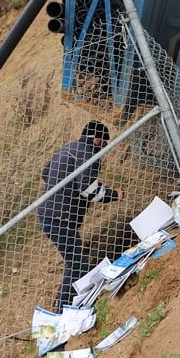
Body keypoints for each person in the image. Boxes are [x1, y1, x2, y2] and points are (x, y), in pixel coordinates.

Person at [38, 120, 120, 310]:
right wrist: (114, 194)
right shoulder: (88, 153)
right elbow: (88, 189)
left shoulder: (68, 148)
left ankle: (70, 304)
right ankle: (65, 309)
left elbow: (45, 173)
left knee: (75, 259)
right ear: (98, 140)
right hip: (61, 217)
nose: (104, 149)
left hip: (48, 214)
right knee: (77, 263)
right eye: (105, 143)